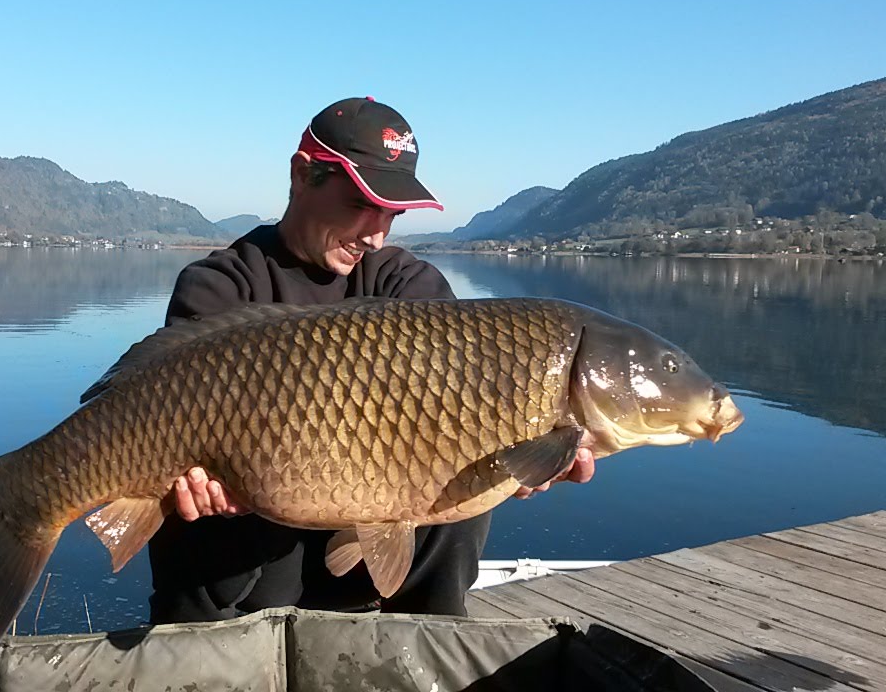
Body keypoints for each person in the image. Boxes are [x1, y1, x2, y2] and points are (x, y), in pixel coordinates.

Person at [148, 97, 594, 625]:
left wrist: (531, 456)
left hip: (365, 553)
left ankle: (424, 640)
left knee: (463, 479)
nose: (377, 234)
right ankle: (215, 652)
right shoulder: (222, 286)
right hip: (251, 563)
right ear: (302, 174)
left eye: (392, 213)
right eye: (361, 203)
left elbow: (468, 412)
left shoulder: (409, 285)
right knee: (213, 506)